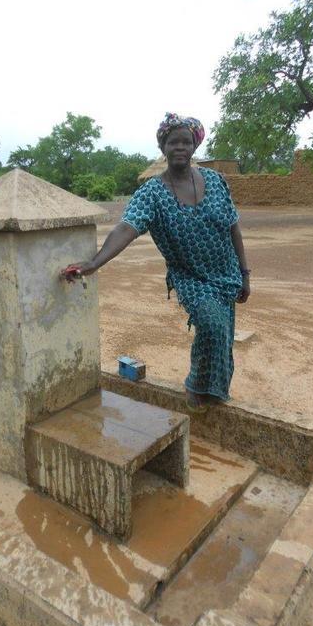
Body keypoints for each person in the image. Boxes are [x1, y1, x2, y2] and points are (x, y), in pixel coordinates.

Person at [62, 113, 250, 412]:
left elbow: (233, 227)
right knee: (212, 325)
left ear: (194, 145)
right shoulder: (152, 193)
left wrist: (244, 272)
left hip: (226, 273)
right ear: (163, 146)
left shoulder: (215, 181)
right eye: (173, 141)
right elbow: (127, 227)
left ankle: (214, 393)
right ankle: (196, 386)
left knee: (222, 336)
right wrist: (95, 262)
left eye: (186, 142)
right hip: (191, 277)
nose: (180, 147)